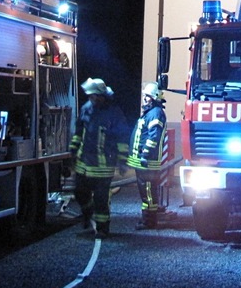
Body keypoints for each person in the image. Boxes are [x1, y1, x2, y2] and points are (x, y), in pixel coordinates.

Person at [69, 77, 129, 239]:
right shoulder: (86, 109)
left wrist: (123, 160)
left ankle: (103, 228)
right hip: (84, 163)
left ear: (101, 96)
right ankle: (88, 212)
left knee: (101, 200)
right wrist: (73, 152)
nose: (90, 99)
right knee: (80, 192)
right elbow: (79, 132)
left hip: (104, 166)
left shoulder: (114, 113)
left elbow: (122, 138)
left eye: (92, 96)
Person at [127, 81, 168, 230]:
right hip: (144, 161)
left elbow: (153, 137)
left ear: (153, 98)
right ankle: (147, 219)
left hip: (147, 162)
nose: (144, 99)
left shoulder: (155, 114)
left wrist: (145, 154)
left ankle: (149, 221)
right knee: (146, 191)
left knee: (149, 192)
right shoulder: (151, 113)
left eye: (146, 96)